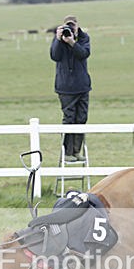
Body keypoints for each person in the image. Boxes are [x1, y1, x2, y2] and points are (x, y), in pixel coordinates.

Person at [50, 14, 91, 163]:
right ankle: (67, 152)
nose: (70, 28)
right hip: (65, 87)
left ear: (77, 25)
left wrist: (73, 42)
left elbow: (84, 54)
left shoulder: (84, 38)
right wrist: (58, 39)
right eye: (68, 25)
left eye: (73, 25)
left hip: (82, 85)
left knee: (81, 119)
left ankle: (76, 151)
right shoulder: (59, 40)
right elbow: (55, 56)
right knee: (69, 119)